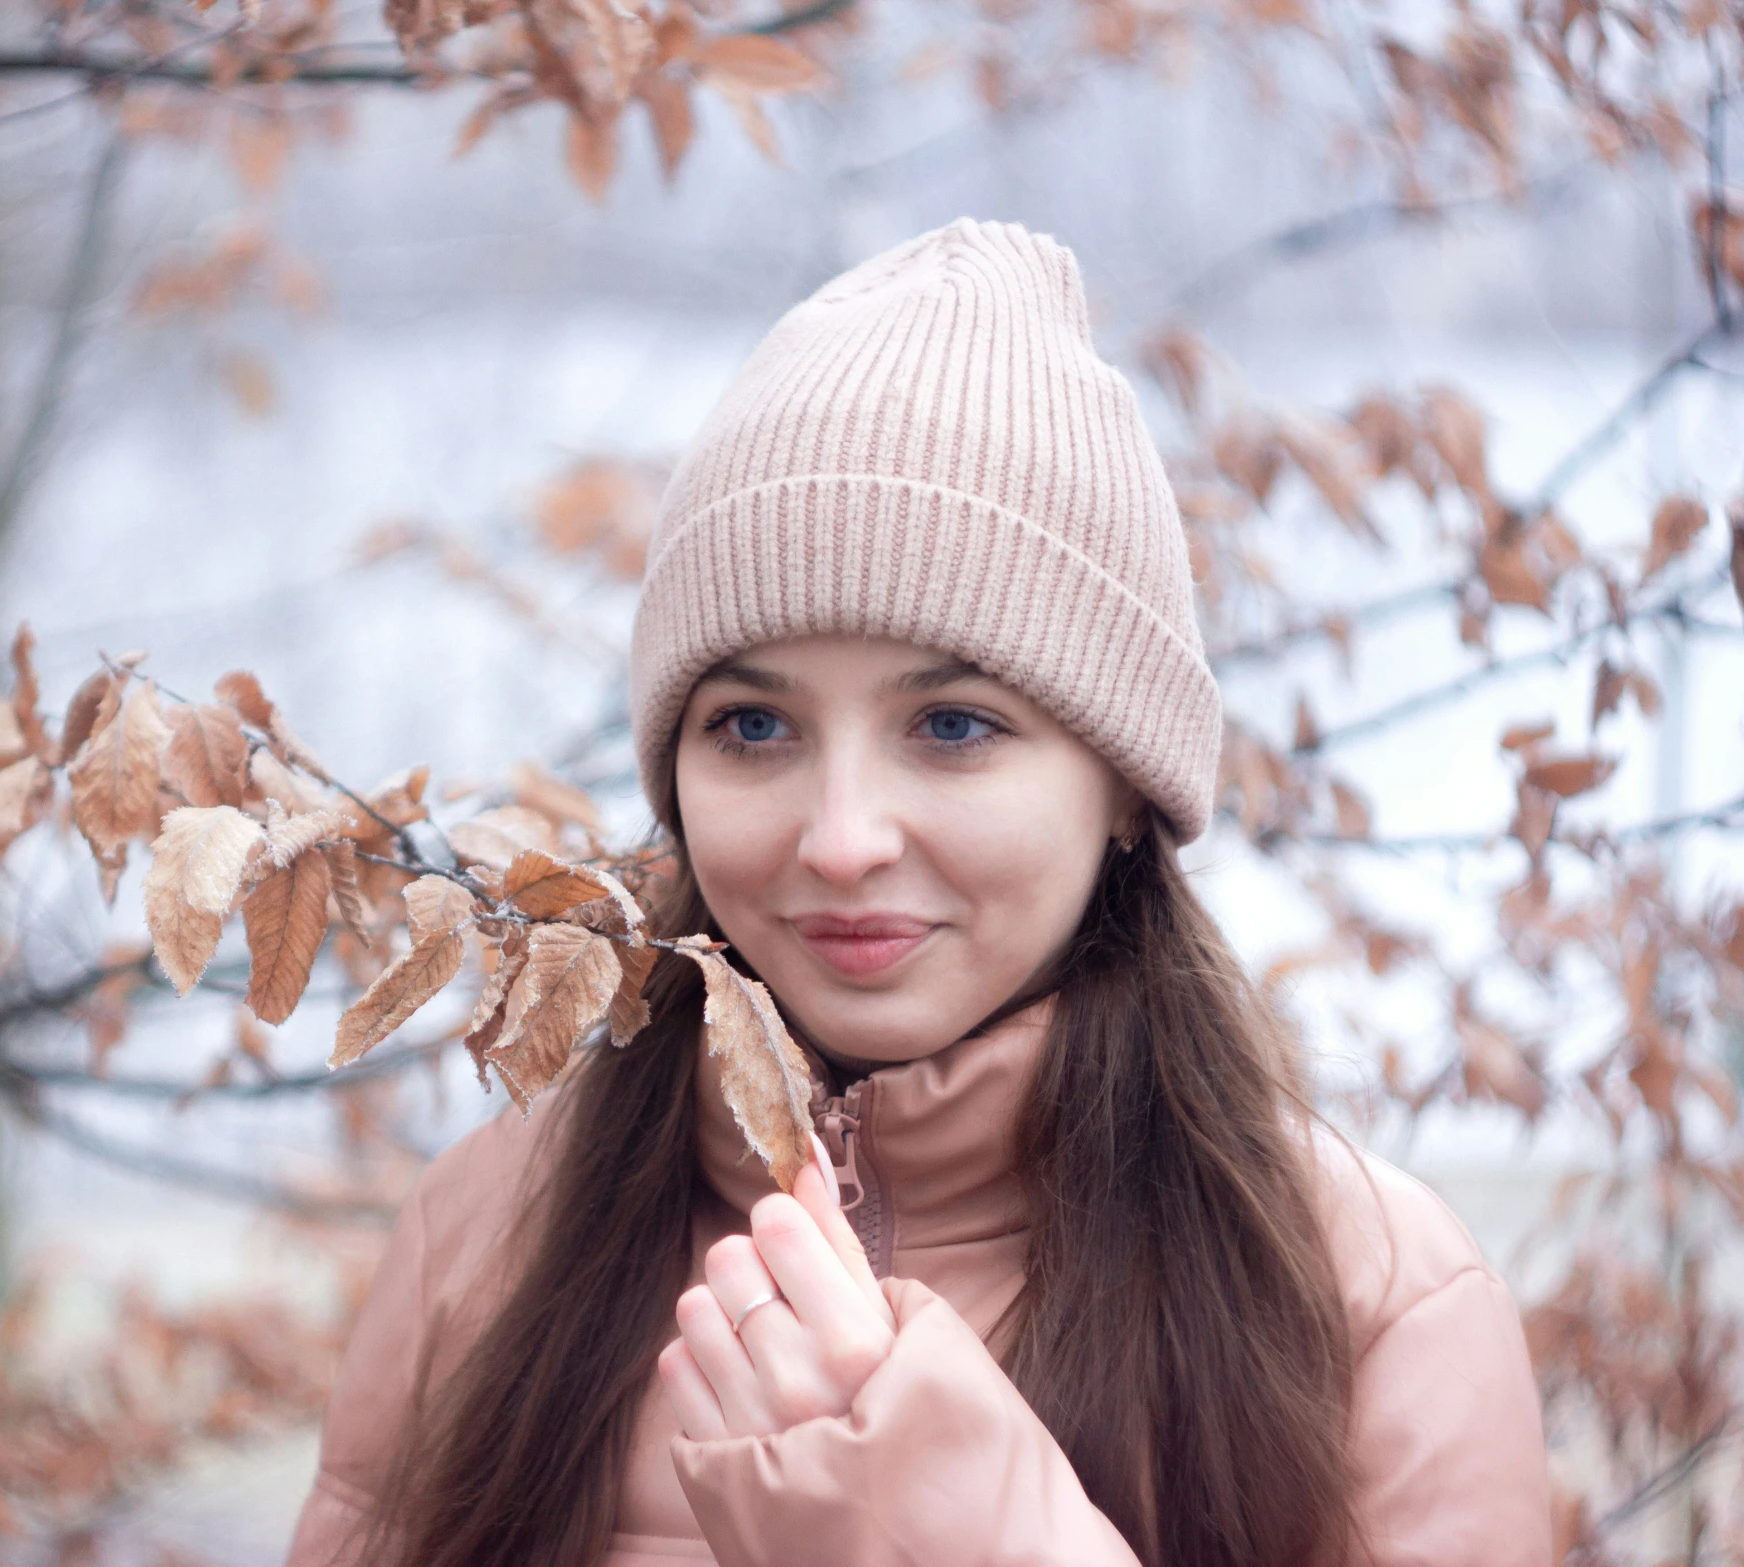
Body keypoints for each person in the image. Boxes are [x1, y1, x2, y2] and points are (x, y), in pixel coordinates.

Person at [286, 218, 1550, 1567]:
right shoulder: (495, 1235)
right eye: (753, 729)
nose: (838, 840)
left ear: (1123, 784)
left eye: (951, 725)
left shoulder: (1370, 1301)